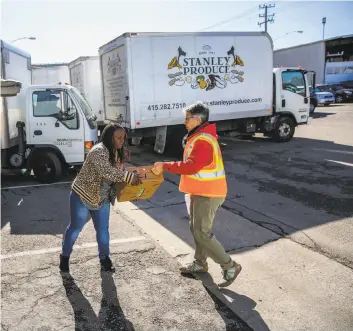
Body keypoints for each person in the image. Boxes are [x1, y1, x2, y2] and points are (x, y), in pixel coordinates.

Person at [152, 101, 242, 287]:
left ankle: (230, 266)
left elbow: (192, 166)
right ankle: (200, 263)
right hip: (200, 191)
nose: (184, 122)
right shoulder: (200, 136)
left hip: (208, 193)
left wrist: (165, 166)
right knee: (197, 230)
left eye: (187, 118)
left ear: (197, 119)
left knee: (202, 233)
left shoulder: (202, 140)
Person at [60, 123, 141, 273]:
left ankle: (104, 258)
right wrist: (129, 177)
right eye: (118, 138)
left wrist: (133, 191)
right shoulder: (98, 151)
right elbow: (107, 172)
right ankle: (64, 257)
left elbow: (118, 176)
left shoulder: (117, 152)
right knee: (75, 228)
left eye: (123, 138)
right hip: (82, 196)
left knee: (103, 231)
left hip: (102, 199)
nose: (121, 141)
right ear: (109, 138)